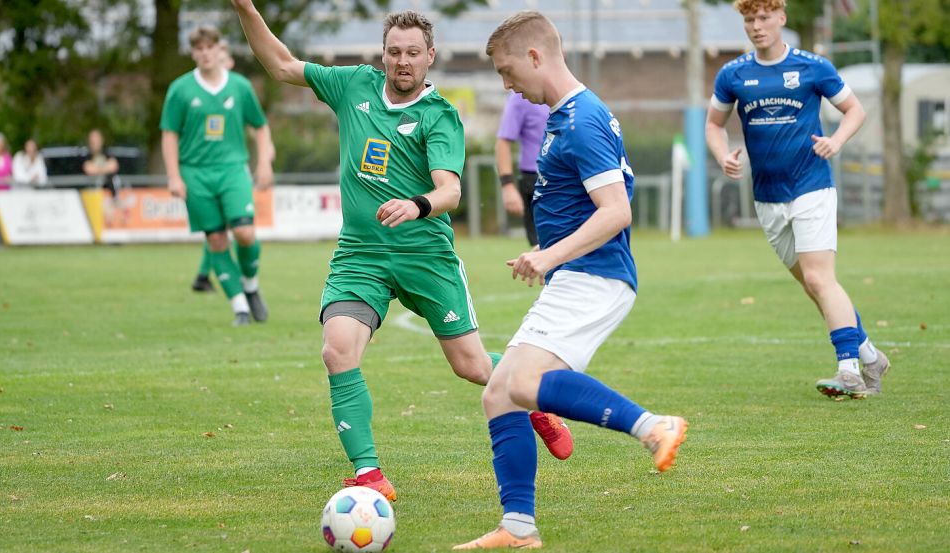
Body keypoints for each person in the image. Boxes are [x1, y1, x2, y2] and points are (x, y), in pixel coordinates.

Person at [230, 0, 573, 502]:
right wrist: (245, 7)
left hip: (424, 255)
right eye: (394, 52)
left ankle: (536, 397)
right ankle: (369, 473)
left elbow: (450, 192)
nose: (403, 61)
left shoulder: (439, 115)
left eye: (413, 52)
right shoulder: (353, 86)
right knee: (337, 349)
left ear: (429, 55)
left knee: (472, 367)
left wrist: (416, 206)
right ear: (383, 55)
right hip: (361, 255)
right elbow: (282, 64)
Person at [455, 11, 688, 549]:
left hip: (595, 277)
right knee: (498, 394)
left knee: (521, 384)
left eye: (507, 71)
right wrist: (544, 252)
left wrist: (549, 256)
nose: (506, 84)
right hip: (576, 274)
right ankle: (518, 529)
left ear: (536, 57)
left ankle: (653, 426)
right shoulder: (566, 115)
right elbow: (584, 207)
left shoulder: (582, 120)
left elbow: (616, 211)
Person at [705, 0, 888, 399]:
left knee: (821, 277)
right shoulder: (733, 74)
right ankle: (871, 355)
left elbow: (854, 109)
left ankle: (850, 370)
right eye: (750, 19)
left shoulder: (813, 67)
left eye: (764, 17)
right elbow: (714, 124)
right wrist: (723, 156)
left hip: (812, 188)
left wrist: (836, 140)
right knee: (813, 284)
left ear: (782, 18)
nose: (757, 26)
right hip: (768, 198)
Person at [160, 24, 275, 326]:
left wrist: (264, 163)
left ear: (218, 49)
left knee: (245, 233)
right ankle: (239, 308)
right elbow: (169, 134)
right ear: (193, 53)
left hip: (233, 170)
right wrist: (174, 176)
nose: (205, 53)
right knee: (216, 241)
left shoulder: (239, 86)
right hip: (195, 174)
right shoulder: (180, 89)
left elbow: (260, 126)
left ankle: (251, 287)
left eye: (209, 47)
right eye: (198, 49)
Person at [191, 38, 240, 294]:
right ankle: (203, 275)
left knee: (220, 231)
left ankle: (202, 275)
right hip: (212, 170)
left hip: (229, 167)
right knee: (218, 231)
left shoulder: (233, 87)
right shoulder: (206, 86)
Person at [495, 91, 548, 246]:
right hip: (535, 182)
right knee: (542, 249)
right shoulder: (520, 96)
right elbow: (503, 142)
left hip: (567, 180)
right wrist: (507, 185)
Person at [83, 129, 121, 197]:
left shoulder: (107, 152)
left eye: (96, 140)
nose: (95, 143)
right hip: (91, 193)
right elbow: (88, 169)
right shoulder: (86, 155)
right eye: (93, 141)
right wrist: (105, 168)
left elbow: (114, 166)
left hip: (108, 194)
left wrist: (97, 169)